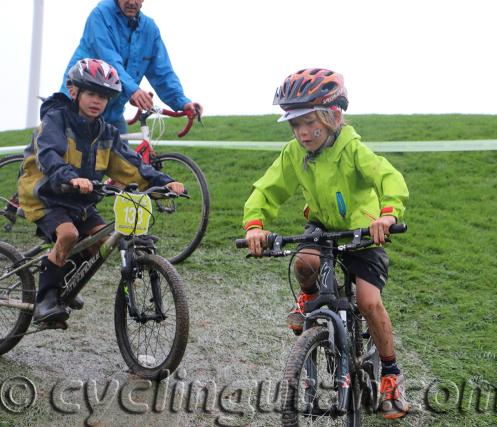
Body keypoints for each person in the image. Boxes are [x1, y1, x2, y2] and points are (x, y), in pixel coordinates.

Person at [242, 68, 411, 419]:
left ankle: (391, 375)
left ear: (332, 117)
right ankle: (307, 299)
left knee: (368, 301)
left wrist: (388, 215)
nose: (302, 132)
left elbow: (387, 176)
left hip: (363, 235)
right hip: (322, 230)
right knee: (303, 262)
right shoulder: (294, 154)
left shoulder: (352, 148)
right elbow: (268, 188)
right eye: (295, 125)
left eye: (309, 123)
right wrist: (255, 224)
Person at [19, 58, 184, 325]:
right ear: (74, 92)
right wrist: (72, 178)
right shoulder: (56, 119)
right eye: (91, 93)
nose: (97, 101)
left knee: (101, 243)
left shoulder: (106, 132)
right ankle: (46, 299)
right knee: (68, 233)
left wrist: (164, 183)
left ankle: (63, 280)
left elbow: (131, 166)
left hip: (80, 201)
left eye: (104, 96)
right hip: (45, 193)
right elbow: (49, 155)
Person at [60, 0, 203, 134]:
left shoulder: (150, 29)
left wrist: (183, 102)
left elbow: (163, 73)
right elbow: (109, 60)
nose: (132, 2)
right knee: (74, 158)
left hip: (112, 113)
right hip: (79, 107)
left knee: (126, 160)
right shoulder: (100, 15)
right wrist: (133, 90)